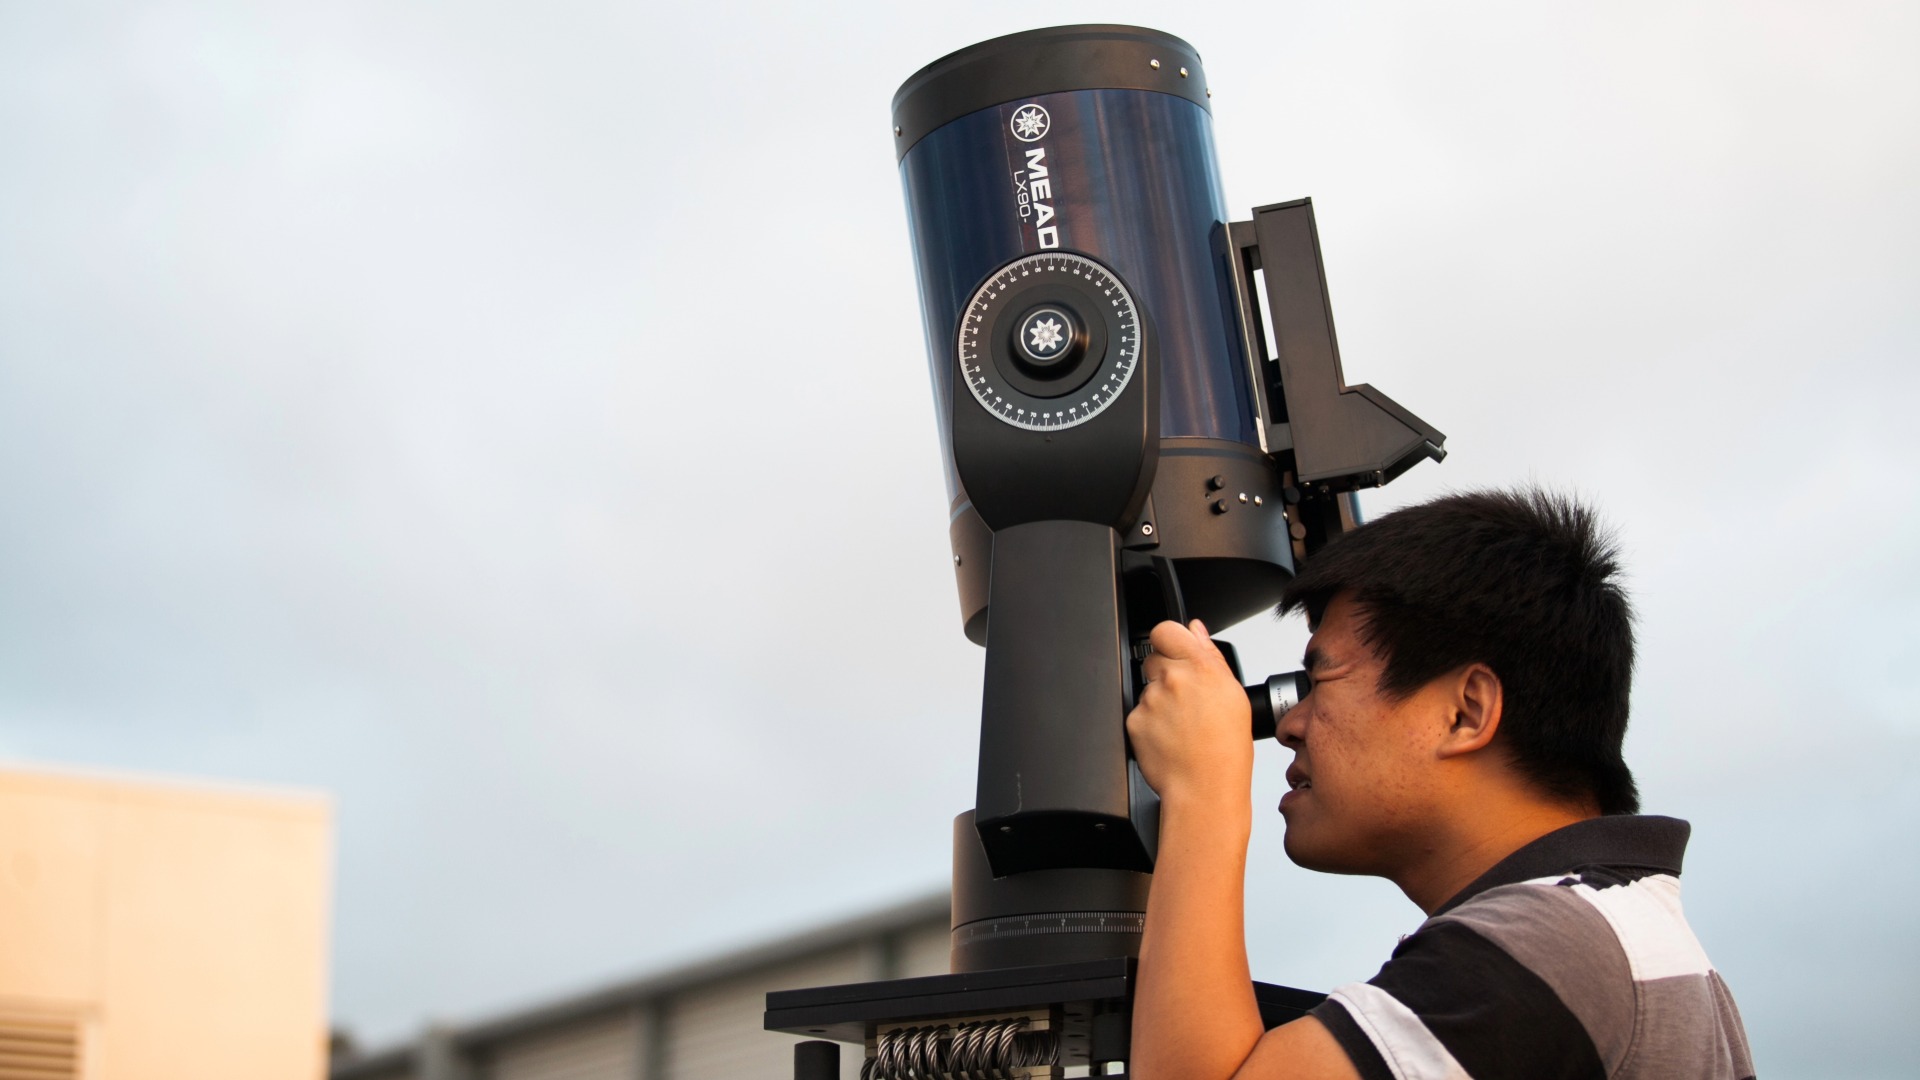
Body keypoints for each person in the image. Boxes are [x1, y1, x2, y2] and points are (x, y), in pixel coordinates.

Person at [1124, 488, 1753, 1080]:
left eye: (1323, 680)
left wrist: (1201, 794)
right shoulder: (1615, 934)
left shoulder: (1560, 947)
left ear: (1465, 712)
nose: (1288, 724)